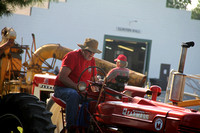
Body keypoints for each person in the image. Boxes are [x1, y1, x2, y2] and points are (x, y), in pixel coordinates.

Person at [54, 38, 102, 133]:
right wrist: (77, 87)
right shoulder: (72, 56)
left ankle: (91, 127)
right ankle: (71, 127)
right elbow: (62, 77)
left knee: (97, 100)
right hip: (63, 89)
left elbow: (94, 80)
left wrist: (98, 86)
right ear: (84, 49)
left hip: (81, 90)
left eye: (94, 52)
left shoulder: (91, 60)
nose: (92, 54)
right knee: (73, 95)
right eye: (90, 51)